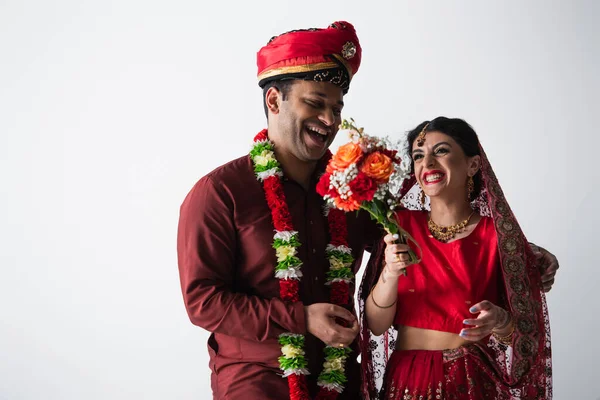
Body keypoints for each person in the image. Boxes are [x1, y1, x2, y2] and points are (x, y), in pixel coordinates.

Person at [177, 21, 384, 399]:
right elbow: (203, 301)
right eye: (315, 103)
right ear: (274, 101)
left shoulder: (351, 190)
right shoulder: (221, 192)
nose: (330, 120)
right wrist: (300, 319)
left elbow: (406, 244)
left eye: (337, 108)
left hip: (342, 382)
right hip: (257, 381)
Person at [359, 117, 553, 399]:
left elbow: (526, 339)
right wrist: (389, 272)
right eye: (418, 155)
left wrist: (500, 321)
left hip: (469, 383)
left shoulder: (498, 238)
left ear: (473, 165)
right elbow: (376, 325)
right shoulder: (397, 226)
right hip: (406, 381)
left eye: (441, 151)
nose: (427, 163)